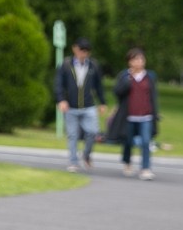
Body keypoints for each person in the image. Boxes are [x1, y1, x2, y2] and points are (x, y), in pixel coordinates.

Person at [54, 37, 109, 173]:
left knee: (92, 132)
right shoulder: (66, 65)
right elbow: (59, 84)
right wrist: (61, 99)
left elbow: (99, 86)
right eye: (80, 50)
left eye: (85, 51)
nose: (82, 54)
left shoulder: (93, 66)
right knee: (72, 135)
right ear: (74, 49)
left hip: (88, 105)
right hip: (71, 106)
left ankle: (86, 154)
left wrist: (102, 102)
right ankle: (73, 161)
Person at [108, 47, 160, 181]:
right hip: (129, 115)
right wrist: (128, 81)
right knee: (128, 141)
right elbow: (117, 92)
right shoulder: (125, 76)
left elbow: (153, 96)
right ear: (130, 62)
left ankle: (145, 168)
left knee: (146, 141)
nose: (139, 62)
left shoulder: (149, 77)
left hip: (146, 116)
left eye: (141, 59)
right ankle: (127, 162)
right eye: (136, 59)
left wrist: (155, 113)